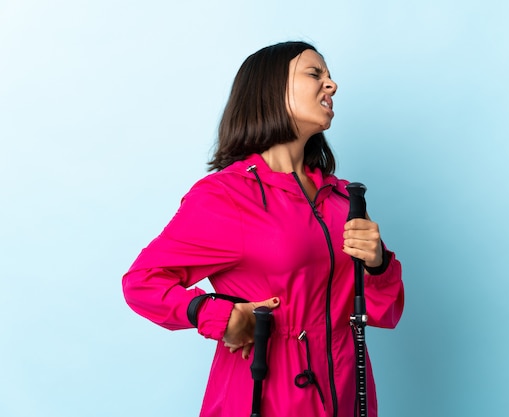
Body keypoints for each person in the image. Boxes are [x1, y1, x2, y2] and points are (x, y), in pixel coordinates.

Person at [122, 41, 404, 417]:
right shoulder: (227, 196)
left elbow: (383, 312)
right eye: (314, 74)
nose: (332, 85)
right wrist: (218, 316)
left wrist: (378, 265)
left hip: (348, 393)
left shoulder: (340, 198)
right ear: (271, 90)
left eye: (330, 76)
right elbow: (142, 281)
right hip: (266, 396)